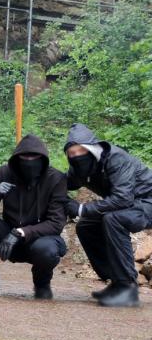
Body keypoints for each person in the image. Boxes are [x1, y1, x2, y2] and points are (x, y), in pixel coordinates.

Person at [0, 135, 68, 299]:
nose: (29, 162)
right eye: (24, 158)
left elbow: (56, 223)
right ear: (16, 160)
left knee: (47, 249)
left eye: (34, 158)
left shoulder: (56, 179)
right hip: (7, 241)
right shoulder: (7, 172)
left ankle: (42, 285)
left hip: (39, 240)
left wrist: (20, 232)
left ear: (43, 160)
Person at [64, 123, 152, 307]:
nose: (76, 156)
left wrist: (81, 209)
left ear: (91, 148)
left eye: (80, 150)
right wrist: (35, 176)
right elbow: (64, 182)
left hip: (147, 201)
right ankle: (116, 281)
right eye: (71, 153)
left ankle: (128, 288)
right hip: (131, 205)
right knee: (86, 225)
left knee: (113, 219)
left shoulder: (116, 159)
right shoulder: (79, 168)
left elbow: (122, 199)